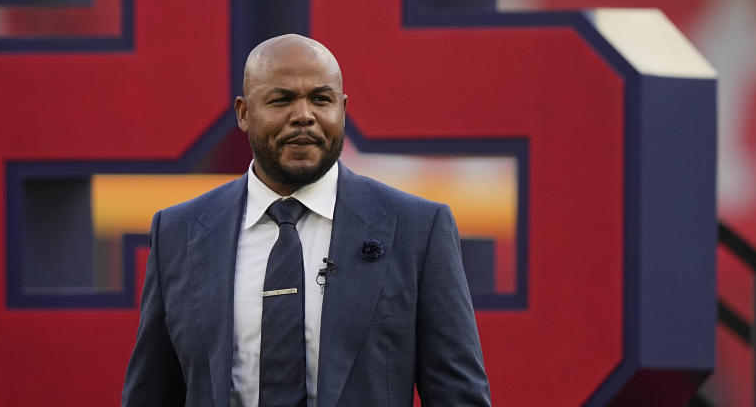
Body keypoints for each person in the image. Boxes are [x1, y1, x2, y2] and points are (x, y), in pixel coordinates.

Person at [122, 34, 491, 407]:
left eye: (321, 99)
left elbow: (458, 395)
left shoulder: (418, 229)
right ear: (244, 113)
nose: (303, 115)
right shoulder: (178, 232)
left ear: (342, 109)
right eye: (281, 99)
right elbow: (151, 392)